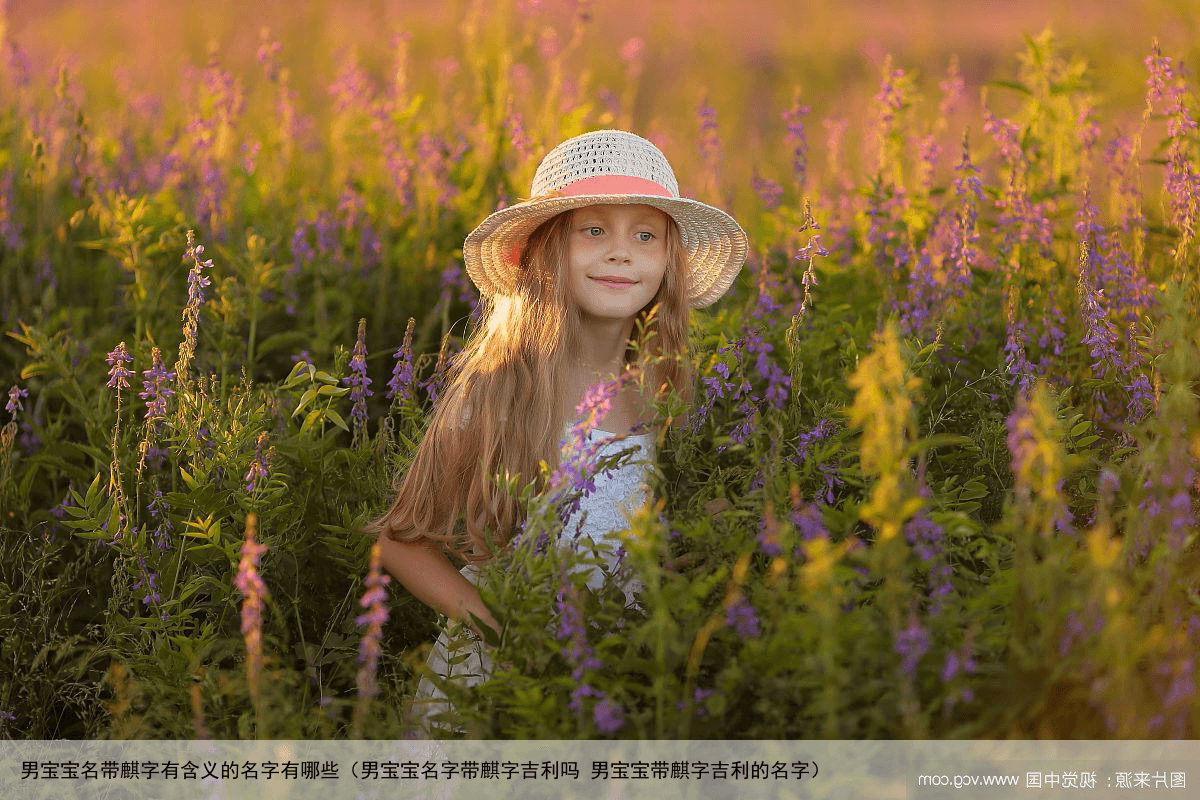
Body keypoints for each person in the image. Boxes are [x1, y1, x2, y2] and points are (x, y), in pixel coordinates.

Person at [363, 129, 748, 733]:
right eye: (592, 230)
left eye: (645, 235)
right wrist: (504, 633)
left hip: (617, 675)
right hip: (498, 681)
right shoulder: (503, 385)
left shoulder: (659, 388)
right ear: (545, 253)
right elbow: (401, 540)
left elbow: (642, 531)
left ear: (668, 262)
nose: (621, 253)